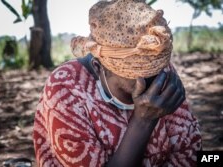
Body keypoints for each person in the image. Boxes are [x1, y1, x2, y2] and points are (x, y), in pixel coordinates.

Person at [33, 0, 201, 166]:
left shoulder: (162, 74)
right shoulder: (66, 88)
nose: (149, 82)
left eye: (153, 70)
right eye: (135, 73)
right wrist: (143, 121)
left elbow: (189, 153)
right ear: (100, 65)